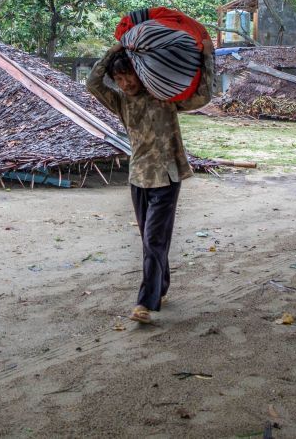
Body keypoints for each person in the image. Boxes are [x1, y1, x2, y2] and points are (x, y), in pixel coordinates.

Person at [86, 40, 215, 325]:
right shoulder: (120, 101)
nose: (124, 83)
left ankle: (145, 302)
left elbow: (203, 95)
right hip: (138, 177)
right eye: (118, 79)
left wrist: (207, 56)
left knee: (154, 239)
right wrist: (114, 51)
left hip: (167, 177)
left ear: (140, 72)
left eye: (127, 76)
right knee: (150, 241)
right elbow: (92, 82)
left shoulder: (165, 95)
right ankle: (162, 285)